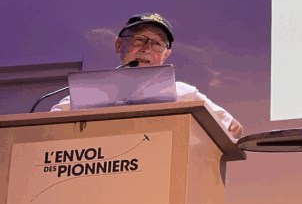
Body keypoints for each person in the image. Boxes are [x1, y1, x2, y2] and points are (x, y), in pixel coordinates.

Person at [51, 13, 243, 139]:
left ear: (166, 54)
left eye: (157, 44)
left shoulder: (183, 92)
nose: (147, 49)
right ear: (118, 45)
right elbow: (49, 126)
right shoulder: (91, 92)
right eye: (139, 40)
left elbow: (231, 129)